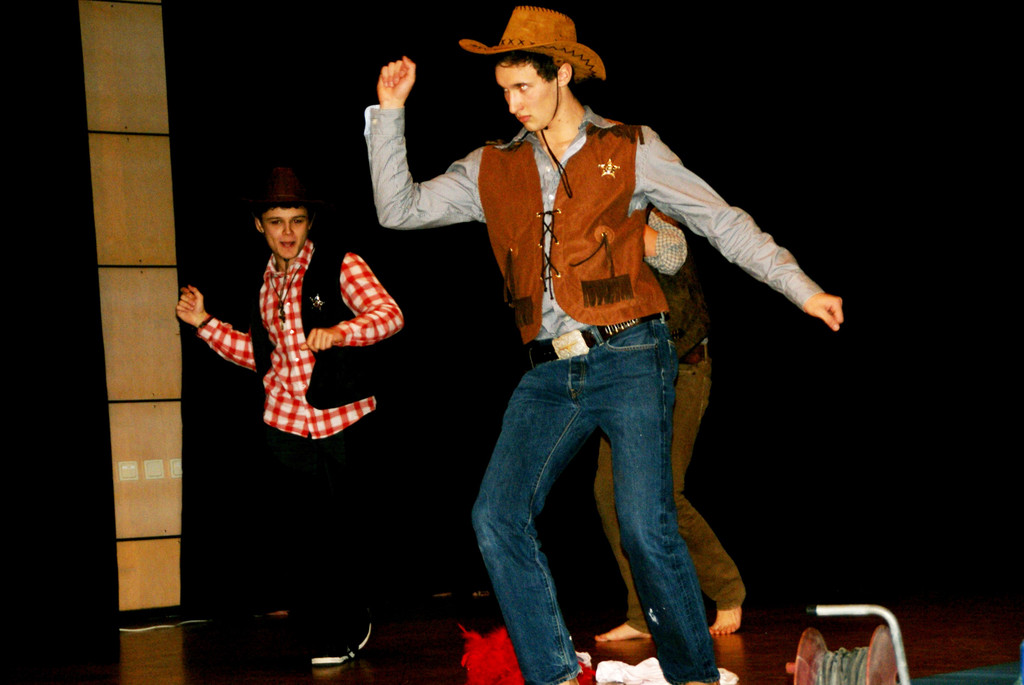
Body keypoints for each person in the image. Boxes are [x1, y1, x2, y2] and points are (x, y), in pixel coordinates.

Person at [366, 7, 842, 685]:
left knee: (644, 526)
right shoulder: (491, 166)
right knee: (495, 515)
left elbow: (721, 221)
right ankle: (555, 675)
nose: (512, 104)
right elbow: (399, 209)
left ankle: (694, 676)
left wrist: (800, 287)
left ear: (561, 73)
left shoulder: (631, 147)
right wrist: (389, 115)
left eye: (523, 87)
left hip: (631, 354)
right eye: (503, 91)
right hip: (548, 370)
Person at [175, 167, 404, 667]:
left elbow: (390, 316)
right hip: (284, 424)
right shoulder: (264, 287)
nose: (287, 232)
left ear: (309, 222)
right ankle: (327, 632)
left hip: (340, 421)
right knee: (304, 540)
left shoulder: (341, 265)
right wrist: (205, 324)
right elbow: (264, 358)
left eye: (296, 220)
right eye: (276, 221)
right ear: (259, 224)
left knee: (344, 534)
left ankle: (350, 624)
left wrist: (341, 332)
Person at [593, 209, 744, 643]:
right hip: (628, 374)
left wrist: (613, 223)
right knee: (608, 491)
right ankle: (644, 613)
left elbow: (672, 255)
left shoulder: (647, 211)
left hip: (681, 370)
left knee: (663, 492)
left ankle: (726, 589)